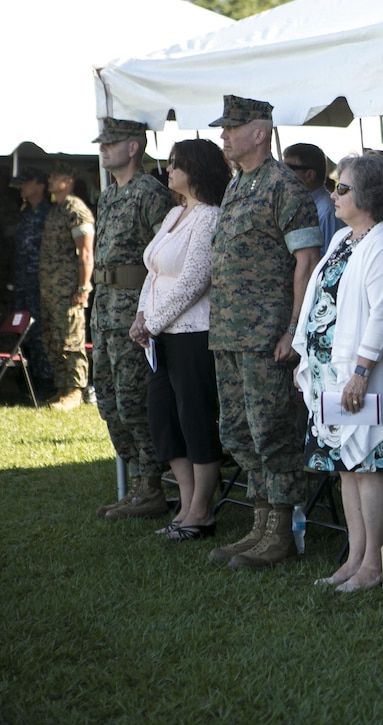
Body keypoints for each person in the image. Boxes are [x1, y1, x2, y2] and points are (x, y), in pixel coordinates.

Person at [203, 95, 323, 570]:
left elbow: (307, 262)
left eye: (232, 128)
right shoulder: (238, 187)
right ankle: (259, 522)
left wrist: (293, 329)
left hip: (266, 336)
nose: (224, 135)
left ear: (260, 132)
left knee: (272, 433)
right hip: (231, 333)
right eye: (223, 128)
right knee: (236, 432)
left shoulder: (283, 187)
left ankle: (281, 531)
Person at [296, 152, 383, 592]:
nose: (334, 193)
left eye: (342, 188)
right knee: (344, 467)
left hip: (361, 377)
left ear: (369, 196)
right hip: (331, 375)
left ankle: (374, 564)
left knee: (367, 465)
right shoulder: (345, 239)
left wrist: (361, 372)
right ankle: (354, 557)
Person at [130, 139, 231, 540]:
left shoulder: (208, 217)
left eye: (175, 164)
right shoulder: (175, 213)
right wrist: (142, 315)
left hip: (192, 334)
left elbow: (193, 281)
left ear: (196, 169)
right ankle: (186, 505)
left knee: (195, 419)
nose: (167, 170)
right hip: (158, 335)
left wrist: (151, 321)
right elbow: (154, 271)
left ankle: (201, 512)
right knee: (164, 421)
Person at [91, 118, 175, 520]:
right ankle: (139, 482)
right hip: (103, 306)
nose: (103, 150)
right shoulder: (108, 196)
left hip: (132, 310)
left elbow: (165, 257)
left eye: (111, 143)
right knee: (107, 399)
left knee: (132, 401)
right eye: (102, 144)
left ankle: (151, 486)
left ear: (133, 147)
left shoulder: (151, 194)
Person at [38, 162, 94, 412]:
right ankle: (62, 388)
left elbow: (85, 252)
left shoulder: (75, 209)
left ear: (69, 180)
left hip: (69, 290)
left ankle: (74, 391)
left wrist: (83, 288)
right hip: (51, 291)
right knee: (53, 340)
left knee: (72, 341)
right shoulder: (56, 210)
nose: (50, 179)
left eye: (55, 175)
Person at [10, 168, 55, 399]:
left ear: (40, 185)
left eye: (26, 183)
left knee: (42, 334)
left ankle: (46, 382)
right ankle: (31, 383)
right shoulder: (25, 215)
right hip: (23, 286)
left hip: (42, 286)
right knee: (25, 334)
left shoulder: (51, 214)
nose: (21, 188)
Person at [283, 142, 344, 253]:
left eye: (288, 168)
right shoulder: (297, 205)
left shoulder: (327, 211)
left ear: (309, 175)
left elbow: (331, 257)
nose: (282, 173)